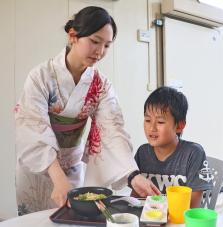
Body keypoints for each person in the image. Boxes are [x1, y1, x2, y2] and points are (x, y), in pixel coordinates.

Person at [15, 6, 159, 215]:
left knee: (72, 218)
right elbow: (32, 127)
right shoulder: (41, 77)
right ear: (73, 35)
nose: (100, 51)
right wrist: (57, 177)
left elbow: (112, 130)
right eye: (95, 41)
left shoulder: (101, 84)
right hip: (39, 167)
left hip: (72, 166)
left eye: (107, 45)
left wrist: (132, 176)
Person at [133, 86, 213, 208]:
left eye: (160, 122)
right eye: (148, 120)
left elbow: (193, 206)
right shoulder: (142, 152)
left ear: (179, 126)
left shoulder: (193, 153)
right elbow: (135, 198)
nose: (152, 128)